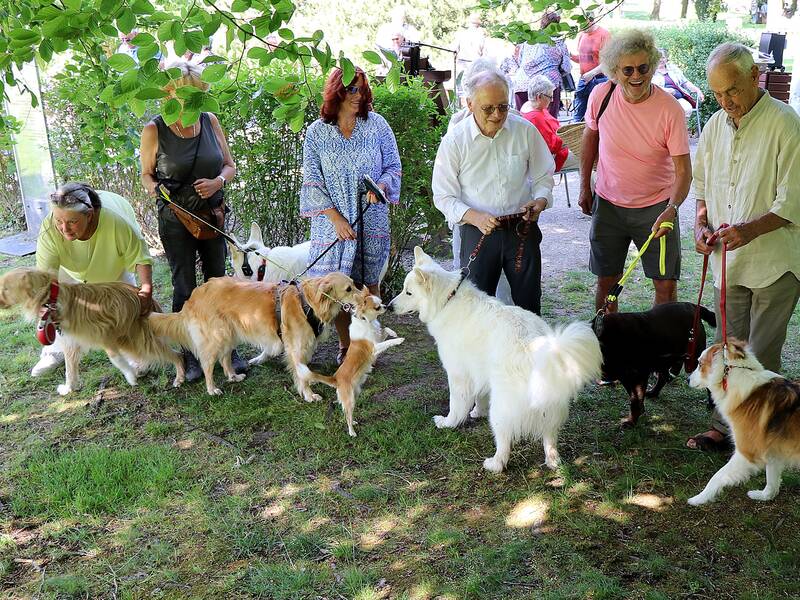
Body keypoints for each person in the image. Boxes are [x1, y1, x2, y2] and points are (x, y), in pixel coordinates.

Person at [687, 42, 800, 451]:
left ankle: (762, 437)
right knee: (729, 353)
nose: (725, 101)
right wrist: (701, 222)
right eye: (717, 94)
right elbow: (702, 186)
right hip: (728, 263)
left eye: (732, 90)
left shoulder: (786, 124)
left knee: (761, 357)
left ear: (755, 77)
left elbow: (792, 201)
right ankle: (727, 427)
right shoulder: (716, 124)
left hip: (774, 262)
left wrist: (748, 231)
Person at [139, 59, 240, 382]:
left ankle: (228, 349)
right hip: (176, 218)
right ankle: (191, 355)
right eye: (184, 95)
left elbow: (229, 166)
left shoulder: (210, 121)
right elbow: (146, 175)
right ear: (170, 95)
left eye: (197, 94)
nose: (190, 102)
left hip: (211, 215)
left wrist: (217, 182)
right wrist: (158, 189)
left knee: (218, 282)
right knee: (185, 285)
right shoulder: (155, 129)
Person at [578, 29, 691, 314]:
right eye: (627, 69)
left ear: (652, 67)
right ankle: (607, 345)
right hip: (608, 206)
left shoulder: (669, 109)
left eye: (643, 68)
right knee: (606, 282)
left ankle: (663, 353)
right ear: (615, 71)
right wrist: (584, 187)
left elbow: (683, 171)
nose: (636, 76)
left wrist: (672, 208)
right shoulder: (601, 96)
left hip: (656, 208)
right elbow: (589, 139)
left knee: (665, 286)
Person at [300, 67, 402, 365]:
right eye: (352, 90)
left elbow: (393, 167)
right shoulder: (317, 132)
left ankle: (367, 343)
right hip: (331, 223)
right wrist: (336, 218)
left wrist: (380, 186)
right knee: (340, 290)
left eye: (362, 89)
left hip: (371, 217)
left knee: (367, 283)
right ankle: (346, 346)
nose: (359, 96)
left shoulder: (377, 125)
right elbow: (312, 180)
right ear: (337, 92)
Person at [433, 70, 555, 314]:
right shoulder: (455, 140)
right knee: (476, 309)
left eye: (503, 106)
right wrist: (474, 216)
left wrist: (540, 200)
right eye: (488, 108)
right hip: (476, 229)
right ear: (470, 104)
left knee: (528, 303)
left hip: (521, 226)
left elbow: (544, 175)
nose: (497, 115)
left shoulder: (524, 130)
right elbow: (443, 196)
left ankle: (531, 351)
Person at [31, 183, 154, 376]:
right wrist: (45, 304)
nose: (64, 228)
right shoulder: (50, 226)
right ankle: (55, 350)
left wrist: (146, 290)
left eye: (72, 222)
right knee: (57, 305)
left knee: (126, 310)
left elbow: (140, 258)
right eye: (59, 221)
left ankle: (133, 352)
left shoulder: (116, 221)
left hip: (112, 265)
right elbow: (46, 276)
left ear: (89, 215)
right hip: (69, 269)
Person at [503, 11, 571, 115]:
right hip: (547, 87)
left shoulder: (528, 40)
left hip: (522, 84)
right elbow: (566, 68)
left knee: (523, 121)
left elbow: (516, 62)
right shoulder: (559, 43)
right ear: (557, 25)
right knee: (547, 123)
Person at [521, 75, 580, 172]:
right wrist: (570, 137)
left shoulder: (533, 106)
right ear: (539, 96)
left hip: (559, 147)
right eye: (550, 97)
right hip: (553, 158)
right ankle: (590, 186)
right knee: (589, 155)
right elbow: (552, 147)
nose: (552, 100)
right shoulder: (535, 117)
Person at [569, 12, 610, 123]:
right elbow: (584, 58)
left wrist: (591, 74)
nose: (582, 28)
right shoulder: (582, 35)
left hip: (599, 80)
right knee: (578, 115)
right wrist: (571, 56)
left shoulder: (604, 35)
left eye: (584, 24)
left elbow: (608, 62)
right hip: (584, 80)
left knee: (597, 115)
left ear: (591, 20)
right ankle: (575, 138)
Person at [652, 48, 705, 120]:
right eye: (658, 58)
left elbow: (685, 82)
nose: (661, 60)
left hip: (678, 98)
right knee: (667, 112)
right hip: (660, 100)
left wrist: (697, 90)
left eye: (663, 57)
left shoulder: (673, 68)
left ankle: (679, 128)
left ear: (666, 58)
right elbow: (649, 88)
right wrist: (666, 90)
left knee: (687, 108)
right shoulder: (650, 72)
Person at [454, 13, 487, 101]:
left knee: (461, 90)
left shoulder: (461, 34)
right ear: (478, 25)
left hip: (463, 64)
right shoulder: (481, 36)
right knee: (474, 90)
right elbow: (484, 54)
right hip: (475, 65)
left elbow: (454, 51)